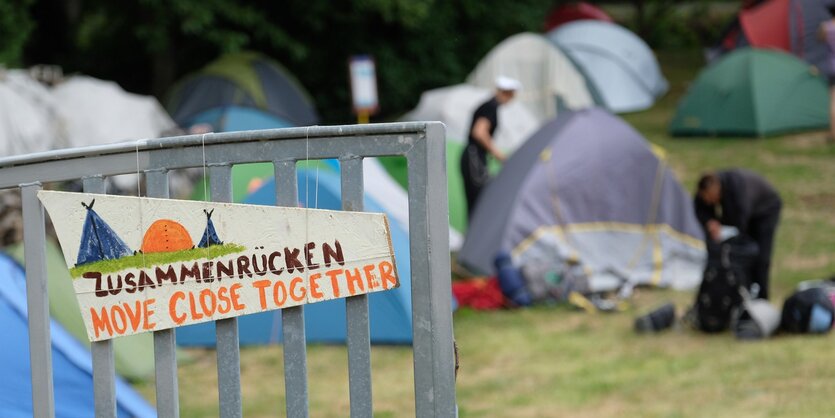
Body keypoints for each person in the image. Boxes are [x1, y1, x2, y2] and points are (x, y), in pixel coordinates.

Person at [694, 169, 781, 300]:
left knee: (759, 256)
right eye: (707, 199)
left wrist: (723, 229)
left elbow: (740, 222)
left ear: (717, 188)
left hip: (765, 211)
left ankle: (762, 298)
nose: (711, 202)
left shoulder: (737, 190)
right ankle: (737, 294)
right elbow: (700, 208)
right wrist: (709, 222)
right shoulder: (705, 191)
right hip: (744, 214)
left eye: (712, 198)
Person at [460, 75, 521, 219]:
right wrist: (500, 155)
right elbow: (479, 132)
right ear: (508, 93)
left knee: (477, 201)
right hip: (474, 158)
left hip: (474, 157)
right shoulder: (491, 107)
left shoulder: (490, 106)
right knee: (479, 201)